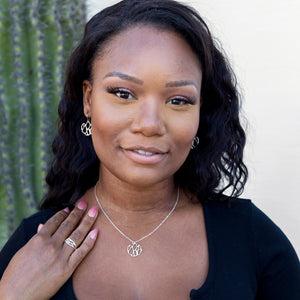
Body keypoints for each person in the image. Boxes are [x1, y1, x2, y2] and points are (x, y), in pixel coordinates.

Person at [0, 0, 299, 299]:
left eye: (179, 100)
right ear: (88, 100)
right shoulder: (33, 247)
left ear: (200, 113)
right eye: (124, 94)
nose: (150, 124)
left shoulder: (251, 240)